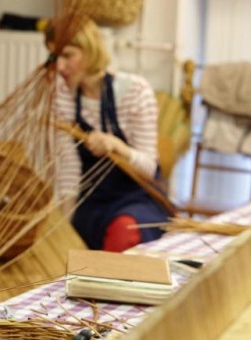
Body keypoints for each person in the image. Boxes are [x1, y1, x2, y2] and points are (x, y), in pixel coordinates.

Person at [46, 14, 167, 252]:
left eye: (68, 55)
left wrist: (116, 145)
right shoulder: (62, 95)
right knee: (65, 239)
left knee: (124, 233)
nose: (60, 67)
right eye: (54, 56)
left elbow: (149, 168)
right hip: (92, 200)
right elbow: (69, 169)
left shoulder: (135, 92)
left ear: (90, 50)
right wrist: (64, 227)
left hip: (136, 197)